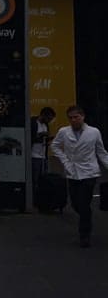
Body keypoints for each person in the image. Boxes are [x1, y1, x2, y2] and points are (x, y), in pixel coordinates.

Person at [51, 105, 108, 248]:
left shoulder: (94, 132)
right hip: (72, 171)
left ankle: (85, 234)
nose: (73, 120)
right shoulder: (64, 131)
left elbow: (101, 152)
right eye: (70, 118)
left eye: (76, 117)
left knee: (84, 203)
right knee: (75, 203)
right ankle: (85, 218)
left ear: (83, 117)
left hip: (89, 172)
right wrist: (65, 161)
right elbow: (55, 146)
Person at [31, 106, 57, 203]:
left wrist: (48, 140)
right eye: (48, 118)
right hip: (33, 155)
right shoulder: (33, 123)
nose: (49, 121)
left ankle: (41, 198)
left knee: (43, 178)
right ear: (43, 115)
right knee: (34, 178)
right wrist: (40, 135)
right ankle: (33, 198)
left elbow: (43, 138)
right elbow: (29, 137)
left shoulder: (46, 125)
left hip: (43, 154)